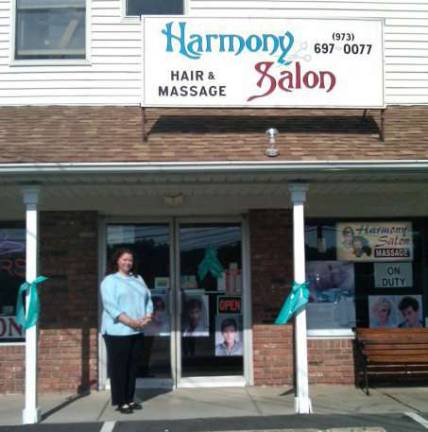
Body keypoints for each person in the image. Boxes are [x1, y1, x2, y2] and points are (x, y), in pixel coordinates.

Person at [100, 248, 153, 414]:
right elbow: (110, 306)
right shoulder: (109, 281)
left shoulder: (138, 279)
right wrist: (131, 322)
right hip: (117, 331)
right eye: (124, 259)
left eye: (130, 260)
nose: (127, 263)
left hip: (137, 330)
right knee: (119, 368)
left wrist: (147, 317)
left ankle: (130, 399)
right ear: (117, 261)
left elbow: (148, 299)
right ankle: (120, 401)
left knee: (132, 367)